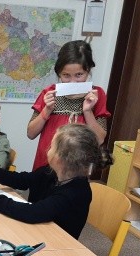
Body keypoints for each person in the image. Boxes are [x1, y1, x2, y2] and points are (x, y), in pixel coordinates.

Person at [0, 123, 106, 239]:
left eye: (51, 146)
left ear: (58, 159)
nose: (48, 149)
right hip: (36, 231)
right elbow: (23, 180)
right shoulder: (50, 172)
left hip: (56, 243)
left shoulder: (75, 193)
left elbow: (33, 212)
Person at [27, 40, 110, 171]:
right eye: (66, 76)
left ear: (88, 70)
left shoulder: (97, 95)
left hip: (77, 169)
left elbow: (99, 139)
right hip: (45, 165)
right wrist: (46, 110)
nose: (73, 82)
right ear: (59, 73)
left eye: (79, 75)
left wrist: (88, 111)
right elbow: (31, 133)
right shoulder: (49, 93)